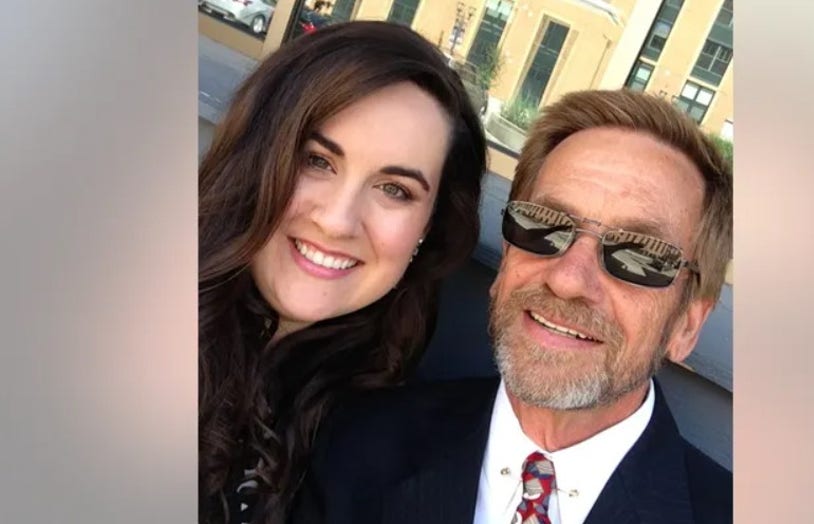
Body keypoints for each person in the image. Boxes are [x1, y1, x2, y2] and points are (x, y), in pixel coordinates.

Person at [290, 89, 733, 523]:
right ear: (506, 259)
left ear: (687, 325)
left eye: (638, 256)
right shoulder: (359, 443)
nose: (567, 280)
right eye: (543, 225)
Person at [198, 21, 487, 524]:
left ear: (429, 227)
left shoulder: (391, 446)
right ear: (257, 156)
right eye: (317, 161)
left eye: (394, 190)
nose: (336, 221)